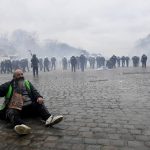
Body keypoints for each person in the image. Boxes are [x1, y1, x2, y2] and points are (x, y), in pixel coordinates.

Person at [0, 69, 63, 135]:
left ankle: (49, 119)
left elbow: (34, 91)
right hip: (16, 109)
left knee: (39, 104)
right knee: (11, 111)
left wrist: (39, 97)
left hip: (29, 107)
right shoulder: (8, 85)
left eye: (22, 74)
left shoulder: (27, 82)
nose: (21, 76)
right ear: (14, 77)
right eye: (18, 75)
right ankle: (20, 126)